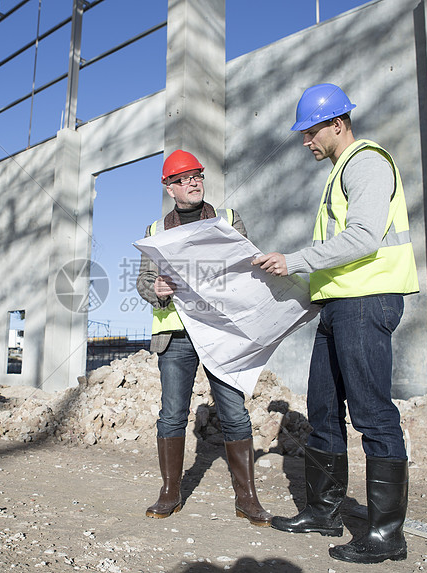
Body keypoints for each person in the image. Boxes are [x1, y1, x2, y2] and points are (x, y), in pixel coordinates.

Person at [252, 84, 419, 564]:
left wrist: (296, 261)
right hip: (340, 304)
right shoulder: (339, 171)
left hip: (367, 301)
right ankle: (323, 510)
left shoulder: (366, 162)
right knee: (323, 410)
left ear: (336, 124)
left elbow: (364, 237)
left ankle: (387, 535)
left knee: (372, 414)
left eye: (310, 131)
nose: (306, 141)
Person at [136, 149, 272, 527]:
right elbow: (144, 282)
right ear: (169, 188)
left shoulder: (229, 220)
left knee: (234, 412)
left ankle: (247, 498)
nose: (194, 182)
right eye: (184, 178)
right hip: (176, 334)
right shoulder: (156, 231)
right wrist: (158, 287)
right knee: (172, 415)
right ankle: (170, 492)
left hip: (220, 330)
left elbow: (245, 265)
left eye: (197, 175)